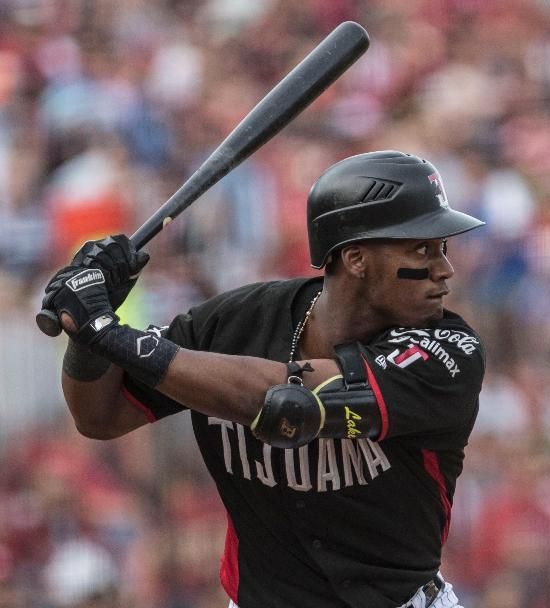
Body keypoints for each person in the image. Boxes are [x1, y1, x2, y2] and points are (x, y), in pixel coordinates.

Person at [40, 151, 486, 608]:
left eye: (442, 248)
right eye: (422, 249)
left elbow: (290, 406)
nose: (444, 269)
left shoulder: (449, 351)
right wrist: (86, 333)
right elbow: (98, 417)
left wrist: (110, 334)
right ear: (356, 258)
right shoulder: (235, 322)